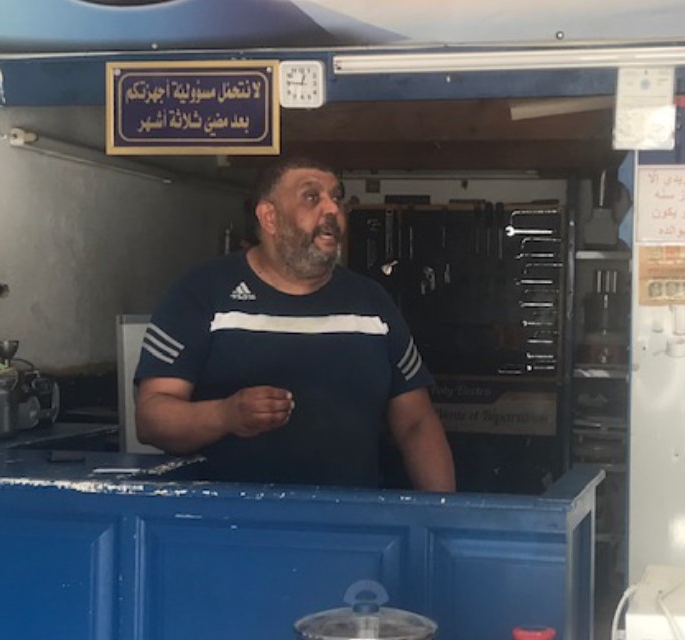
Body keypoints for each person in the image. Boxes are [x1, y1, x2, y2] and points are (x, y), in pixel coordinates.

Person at [134, 156, 456, 492]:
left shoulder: (372, 304)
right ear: (269, 217)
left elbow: (416, 422)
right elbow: (152, 416)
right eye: (312, 197)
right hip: (231, 529)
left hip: (350, 529)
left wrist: (445, 520)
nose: (332, 209)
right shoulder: (202, 292)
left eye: (337, 197)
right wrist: (226, 415)